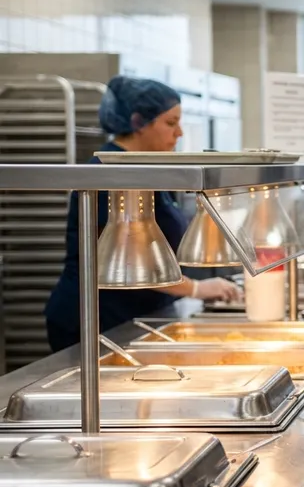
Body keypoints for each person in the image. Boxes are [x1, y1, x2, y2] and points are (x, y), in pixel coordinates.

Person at [43, 75, 241, 352]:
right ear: (138, 122)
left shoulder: (144, 170)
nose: (179, 133)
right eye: (170, 123)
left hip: (135, 314)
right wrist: (196, 288)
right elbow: (132, 259)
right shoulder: (110, 173)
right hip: (95, 318)